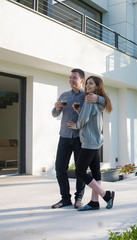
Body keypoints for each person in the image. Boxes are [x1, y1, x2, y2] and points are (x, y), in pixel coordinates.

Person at [51, 69, 105, 209]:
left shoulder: (87, 96)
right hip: (64, 137)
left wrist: (98, 98)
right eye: (70, 77)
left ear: (81, 80)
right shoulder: (65, 96)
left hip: (79, 139)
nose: (71, 80)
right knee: (59, 169)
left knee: (81, 170)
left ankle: (79, 198)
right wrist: (56, 108)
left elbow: (103, 102)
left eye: (74, 78)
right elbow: (55, 114)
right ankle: (65, 199)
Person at [67, 76, 114, 211]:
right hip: (96, 140)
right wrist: (79, 111)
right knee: (95, 172)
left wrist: (76, 125)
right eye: (87, 83)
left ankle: (106, 195)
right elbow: (89, 115)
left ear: (97, 86)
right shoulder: (97, 100)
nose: (87, 86)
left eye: (91, 84)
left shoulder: (90, 99)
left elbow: (83, 121)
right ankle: (94, 202)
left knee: (80, 172)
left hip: (89, 141)